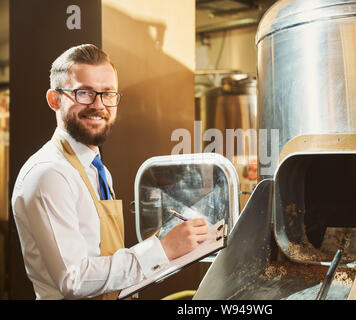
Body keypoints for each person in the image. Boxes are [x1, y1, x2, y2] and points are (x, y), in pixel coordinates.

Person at [11, 44, 208, 300]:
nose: (99, 105)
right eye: (84, 93)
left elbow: (102, 258)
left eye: (107, 93)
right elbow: (74, 278)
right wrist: (162, 250)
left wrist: (171, 247)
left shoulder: (96, 168)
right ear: (54, 99)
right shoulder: (50, 174)